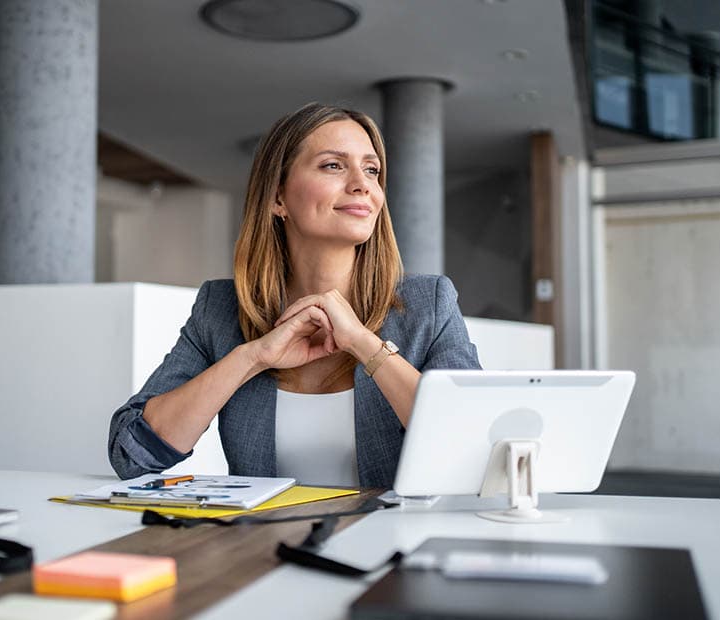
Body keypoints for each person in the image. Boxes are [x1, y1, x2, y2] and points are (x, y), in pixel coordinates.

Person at [108, 103, 481, 488]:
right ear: (277, 197)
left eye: (372, 169)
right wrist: (253, 357)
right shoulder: (220, 309)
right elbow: (131, 454)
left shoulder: (429, 304)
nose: (362, 184)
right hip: (266, 545)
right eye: (333, 165)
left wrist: (365, 345)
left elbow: (477, 447)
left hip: (390, 544)